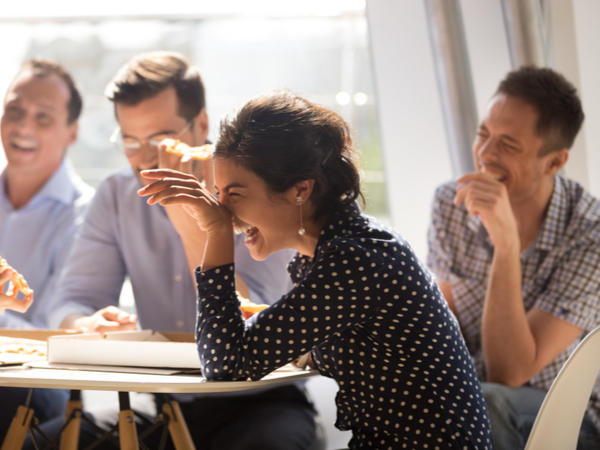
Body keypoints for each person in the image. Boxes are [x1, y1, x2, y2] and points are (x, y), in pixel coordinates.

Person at [139, 90, 493, 450]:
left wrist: (214, 233)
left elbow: (225, 363)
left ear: (300, 190)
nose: (223, 210)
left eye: (235, 193)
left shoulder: (353, 260)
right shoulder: (339, 251)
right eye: (217, 192)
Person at [39, 52, 323, 450]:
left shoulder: (256, 187)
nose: (145, 158)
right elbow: (71, 299)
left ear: (201, 124)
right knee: (47, 441)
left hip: (260, 401)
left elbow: (256, 321)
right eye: (130, 140)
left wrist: (194, 225)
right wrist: (85, 324)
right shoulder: (117, 195)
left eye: (160, 139)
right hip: (165, 405)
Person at [427, 66, 600, 449]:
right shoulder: (451, 203)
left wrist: (505, 246)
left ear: (554, 163)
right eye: (483, 134)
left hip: (570, 416)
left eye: (508, 145)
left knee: (486, 402)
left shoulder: (591, 236)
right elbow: (444, 324)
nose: (485, 155)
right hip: (472, 393)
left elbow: (511, 372)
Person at [0, 59, 94, 439]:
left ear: (72, 132)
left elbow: (58, 335)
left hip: (40, 382)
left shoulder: (86, 215)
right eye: (14, 111)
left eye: (43, 117)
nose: (23, 127)